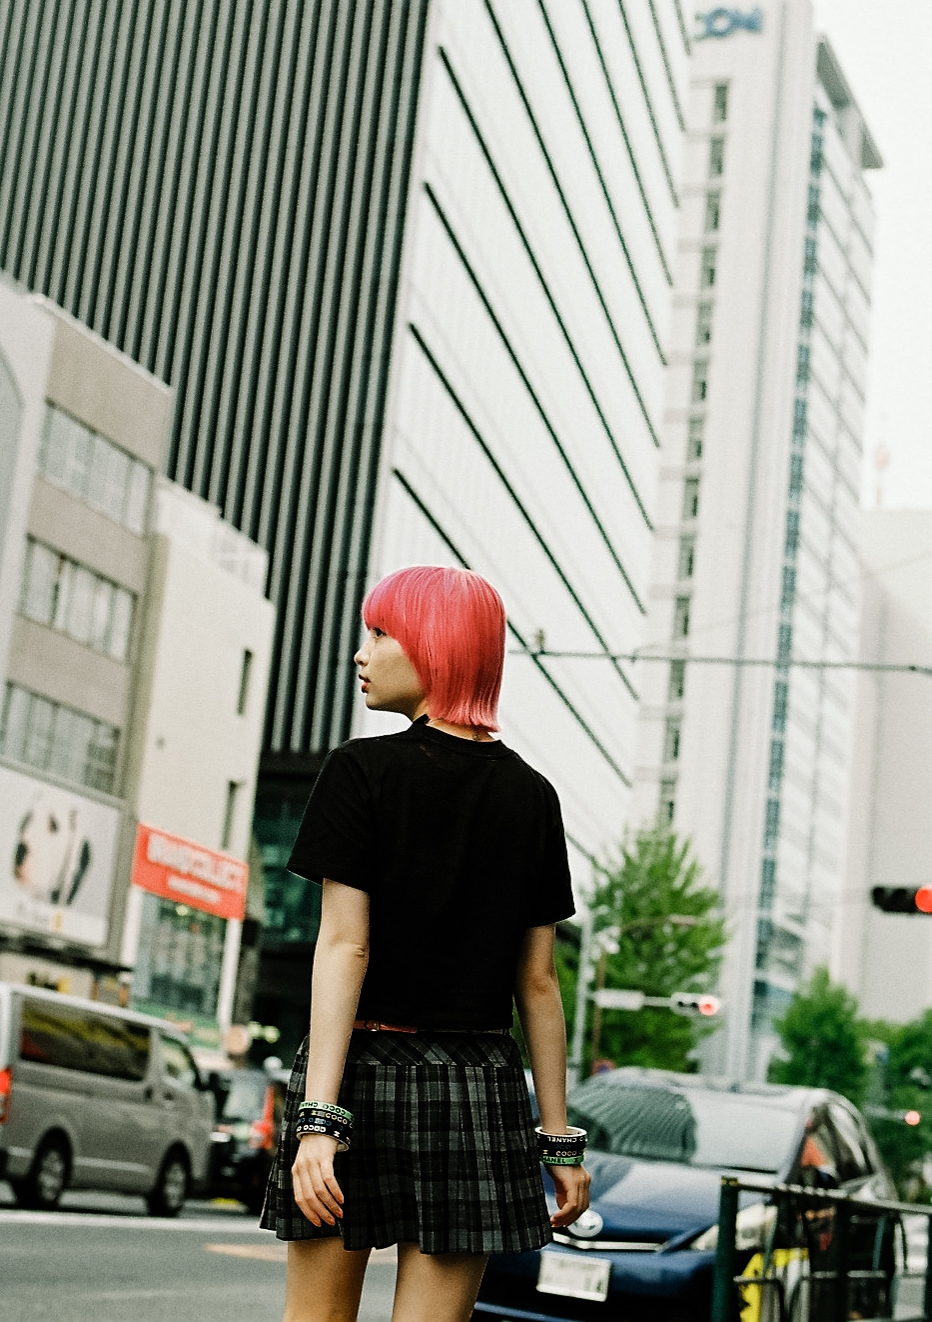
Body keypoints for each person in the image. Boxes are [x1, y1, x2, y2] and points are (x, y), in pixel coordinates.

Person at [260, 565, 591, 1322]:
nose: (361, 652)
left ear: (436, 647)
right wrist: (559, 1141)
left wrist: (318, 1121)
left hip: (358, 1072)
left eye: (381, 633)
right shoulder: (533, 797)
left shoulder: (360, 771)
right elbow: (537, 984)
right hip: (478, 1086)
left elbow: (346, 947)